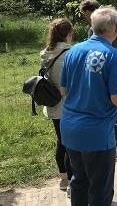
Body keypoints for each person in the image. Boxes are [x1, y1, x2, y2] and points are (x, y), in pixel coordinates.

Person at [60, 6, 117, 205]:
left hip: (70, 129)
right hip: (96, 134)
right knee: (100, 190)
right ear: (115, 29)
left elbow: (64, 91)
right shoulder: (113, 56)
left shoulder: (73, 51)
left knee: (79, 181)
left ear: (93, 27)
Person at [80, 0, 117, 159]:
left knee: (111, 108)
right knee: (114, 107)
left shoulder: (93, 31)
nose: (84, 17)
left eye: (85, 14)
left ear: (90, 12)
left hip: (102, 73)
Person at [40, 18, 73, 191]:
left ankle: (63, 176)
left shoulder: (46, 53)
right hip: (69, 105)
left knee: (61, 141)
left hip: (53, 104)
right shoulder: (71, 53)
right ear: (68, 34)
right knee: (70, 143)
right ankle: (72, 179)